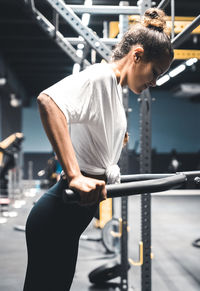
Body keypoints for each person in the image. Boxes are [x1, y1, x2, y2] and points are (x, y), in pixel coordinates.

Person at [23, 8, 174, 291]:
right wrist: (75, 175)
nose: (154, 82)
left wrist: (116, 142)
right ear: (137, 55)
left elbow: (93, 135)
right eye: (155, 72)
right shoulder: (102, 77)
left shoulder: (116, 90)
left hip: (69, 219)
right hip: (57, 214)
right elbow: (48, 102)